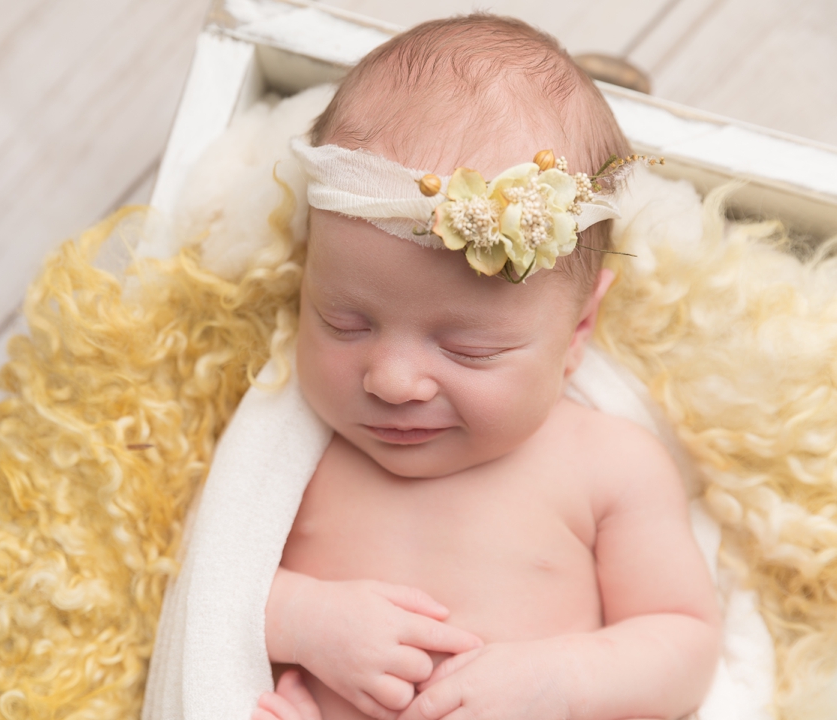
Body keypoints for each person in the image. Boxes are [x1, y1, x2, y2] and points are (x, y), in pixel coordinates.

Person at [253, 14, 721, 720]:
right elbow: (199, 579)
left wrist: (562, 681)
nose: (392, 381)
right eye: (343, 322)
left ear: (579, 329)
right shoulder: (294, 442)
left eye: (468, 350)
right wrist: (299, 618)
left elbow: (684, 643)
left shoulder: (608, 466)